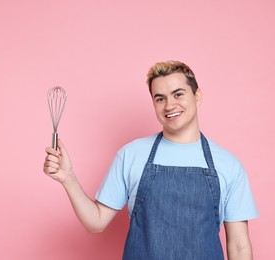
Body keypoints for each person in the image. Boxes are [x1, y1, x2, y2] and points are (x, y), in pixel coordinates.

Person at [43, 60, 258, 259]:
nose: (169, 105)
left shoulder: (228, 165)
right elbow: (96, 222)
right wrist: (68, 178)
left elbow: (239, 245)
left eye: (178, 94)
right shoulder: (131, 155)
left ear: (197, 96)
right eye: (160, 98)